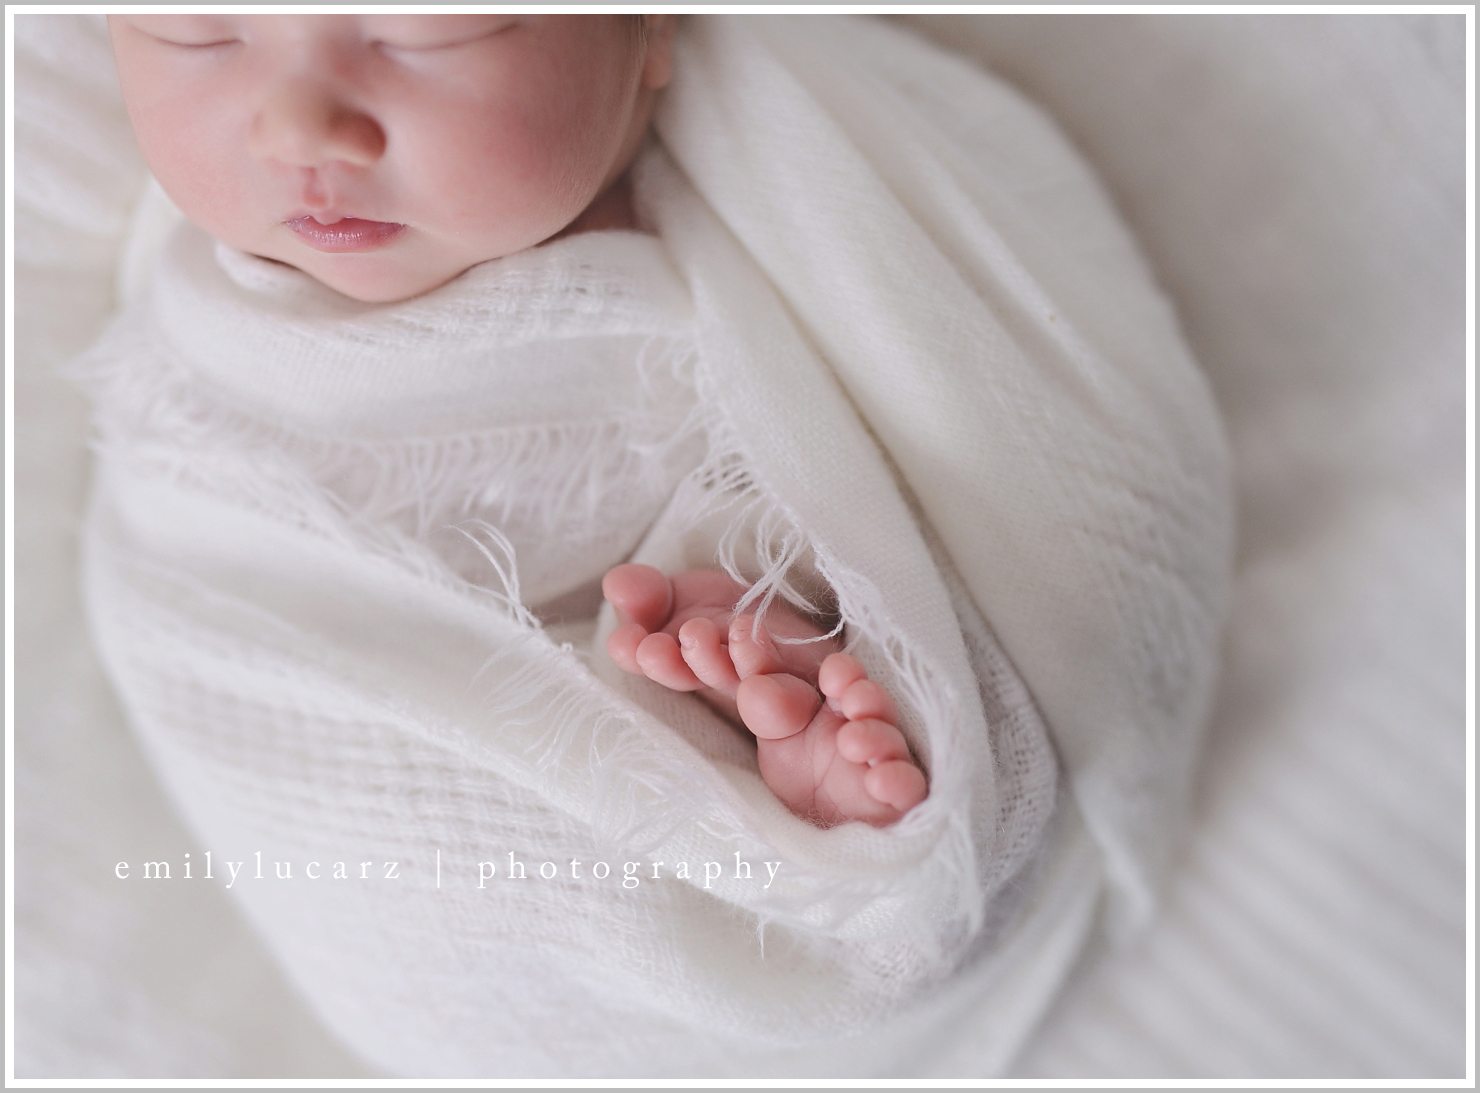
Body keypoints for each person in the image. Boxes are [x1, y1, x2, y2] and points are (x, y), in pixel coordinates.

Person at [102, 11, 928, 828]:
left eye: (424, 33)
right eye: (196, 32)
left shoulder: (799, 226)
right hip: (315, 808)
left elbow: (942, 474)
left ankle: (764, 741)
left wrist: (780, 578)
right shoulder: (204, 330)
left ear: (651, 28)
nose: (298, 133)